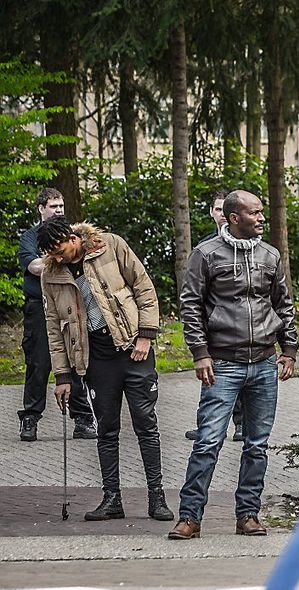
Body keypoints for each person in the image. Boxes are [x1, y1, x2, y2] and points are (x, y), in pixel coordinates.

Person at [170, 190, 298, 540]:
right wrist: (200, 353)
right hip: (222, 365)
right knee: (208, 442)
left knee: (256, 444)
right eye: (254, 213)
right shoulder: (206, 254)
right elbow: (191, 306)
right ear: (233, 217)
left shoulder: (270, 254)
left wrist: (289, 349)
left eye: (262, 212)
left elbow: (283, 304)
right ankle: (189, 516)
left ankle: (248, 515)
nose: (261, 218)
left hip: (264, 363)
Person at [39, 216, 172, 522]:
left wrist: (146, 335)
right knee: (106, 430)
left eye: (60, 249)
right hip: (95, 359)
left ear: (72, 237)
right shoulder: (51, 274)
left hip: (133, 350)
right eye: (52, 254)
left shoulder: (109, 245)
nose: (58, 257)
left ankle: (157, 498)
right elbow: (53, 328)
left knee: (145, 424)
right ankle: (112, 499)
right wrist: (62, 375)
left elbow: (143, 287)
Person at [17, 188, 95, 441]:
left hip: (70, 304)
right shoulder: (30, 237)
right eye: (53, 206)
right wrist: (57, 259)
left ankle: (82, 419)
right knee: (39, 363)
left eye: (61, 206)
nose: (59, 210)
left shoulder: (71, 234)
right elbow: (34, 266)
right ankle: (30, 417)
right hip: (40, 307)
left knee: (77, 359)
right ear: (41, 208)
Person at [184, 190, 244, 443]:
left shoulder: (246, 245)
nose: (222, 215)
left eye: (225, 209)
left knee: (241, 375)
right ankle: (207, 425)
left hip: (240, 326)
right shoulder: (205, 247)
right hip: (213, 324)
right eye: (217, 210)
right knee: (208, 375)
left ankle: (241, 424)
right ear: (212, 212)